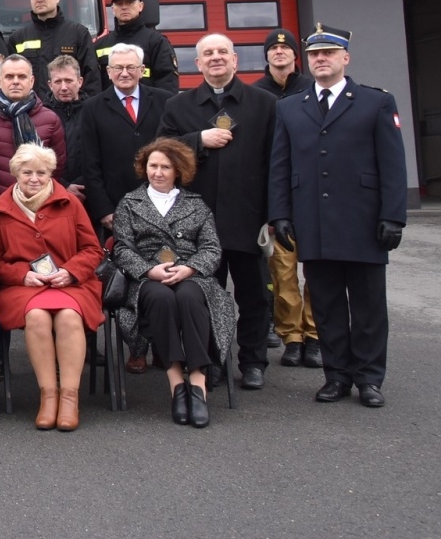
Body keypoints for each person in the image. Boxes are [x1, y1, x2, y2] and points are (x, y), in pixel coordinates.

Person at [269, 25, 406, 408]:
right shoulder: (289, 107)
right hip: (313, 223)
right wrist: (279, 213)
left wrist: (393, 216)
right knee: (326, 307)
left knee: (368, 308)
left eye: (329, 53)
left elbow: (393, 164)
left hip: (363, 221)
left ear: (345, 58)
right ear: (306, 60)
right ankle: (337, 377)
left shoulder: (375, 102)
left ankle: (369, 379)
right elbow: (280, 164)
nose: (321, 60)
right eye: (314, 55)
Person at [158, 33, 276, 390]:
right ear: (198, 64)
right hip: (198, 224)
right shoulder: (178, 107)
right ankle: (212, 361)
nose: (215, 58)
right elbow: (161, 153)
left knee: (255, 295)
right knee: (204, 297)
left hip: (249, 218)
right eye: (207, 53)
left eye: (222, 52)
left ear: (235, 60)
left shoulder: (265, 103)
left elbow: (278, 162)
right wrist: (198, 140)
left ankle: (253, 361)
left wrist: (274, 215)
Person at [111, 138, 236, 428]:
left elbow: (211, 248)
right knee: (163, 299)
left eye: (165, 167)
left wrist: (190, 268)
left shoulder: (196, 204)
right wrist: (148, 271)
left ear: (177, 170)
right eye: (152, 166)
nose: (158, 172)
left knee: (190, 299)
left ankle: (198, 383)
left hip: (191, 275)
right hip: (148, 278)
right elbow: (122, 248)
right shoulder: (130, 202)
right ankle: (176, 381)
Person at [0, 144, 104, 431]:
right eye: (27, 173)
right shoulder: (0, 211)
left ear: (51, 173)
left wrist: (70, 271)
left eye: (41, 172)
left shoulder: (70, 203)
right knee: (37, 316)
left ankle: (69, 397)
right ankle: (48, 396)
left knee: (68, 316)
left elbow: (92, 249)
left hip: (71, 284)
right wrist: (22, 275)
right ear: (16, 174)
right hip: (22, 288)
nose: (34, 178)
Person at [253, 27, 320, 369]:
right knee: (283, 271)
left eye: (286, 49)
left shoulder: (312, 90)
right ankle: (291, 336)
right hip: (276, 193)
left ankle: (314, 335)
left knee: (318, 270)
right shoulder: (256, 95)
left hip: (312, 191)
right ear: (266, 57)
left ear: (296, 56)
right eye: (273, 50)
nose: (279, 53)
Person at [78, 44, 173, 234]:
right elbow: (90, 163)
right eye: (118, 68)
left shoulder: (166, 101)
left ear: (142, 70)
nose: (124, 73)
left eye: (130, 67)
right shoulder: (92, 108)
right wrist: (103, 210)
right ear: (108, 72)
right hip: (116, 208)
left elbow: (176, 153)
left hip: (163, 202)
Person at [0, 55, 68, 196]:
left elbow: (57, 167)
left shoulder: (51, 119)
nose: (15, 82)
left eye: (22, 77)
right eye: (9, 77)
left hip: (40, 203)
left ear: (32, 81)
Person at [8, 0, 101, 101]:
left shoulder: (78, 33)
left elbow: (91, 77)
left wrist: (87, 111)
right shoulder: (18, 37)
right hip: (32, 113)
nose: (39, 0)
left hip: (69, 112)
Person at [91, 0, 179, 93]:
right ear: (113, 9)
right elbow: (93, 84)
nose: (124, 7)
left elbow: (167, 83)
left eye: (129, 2)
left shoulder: (156, 42)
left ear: (140, 6)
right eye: (119, 3)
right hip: (108, 108)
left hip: (147, 108)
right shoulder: (100, 45)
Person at [44, 56, 87, 188]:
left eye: (69, 81)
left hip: (88, 189)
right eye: (58, 82)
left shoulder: (95, 111)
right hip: (52, 189)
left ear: (80, 82)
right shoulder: (41, 114)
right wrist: (63, 186)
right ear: (50, 85)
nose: (64, 87)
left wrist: (82, 184)